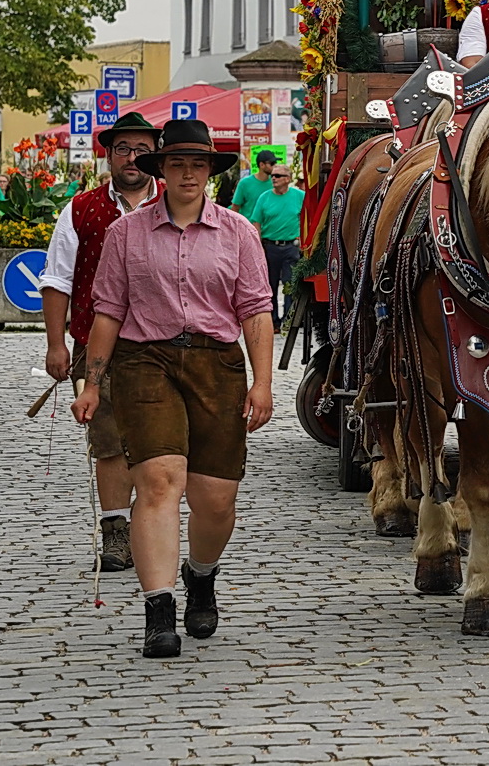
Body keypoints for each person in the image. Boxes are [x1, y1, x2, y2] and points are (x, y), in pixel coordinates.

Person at [70, 118, 274, 659]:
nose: (188, 173)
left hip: (216, 364)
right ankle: (158, 609)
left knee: (215, 500)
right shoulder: (126, 233)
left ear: (210, 171)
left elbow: (255, 310)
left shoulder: (238, 232)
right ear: (160, 171)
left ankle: (200, 575)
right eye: (178, 164)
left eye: (198, 164)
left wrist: (264, 384)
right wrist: (92, 385)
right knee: (160, 482)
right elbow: (108, 313)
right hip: (145, 362)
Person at [42, 111, 162, 574]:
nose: (133, 158)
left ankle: (149, 526)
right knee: (109, 441)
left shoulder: (176, 203)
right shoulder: (80, 209)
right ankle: (115, 534)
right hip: (99, 348)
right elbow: (57, 280)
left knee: (157, 442)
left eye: (142, 150)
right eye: (124, 149)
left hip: (164, 344)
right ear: (108, 156)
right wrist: (57, 344)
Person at [248, 163, 305, 331]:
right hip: (270, 246)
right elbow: (256, 222)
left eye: (278, 176)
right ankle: (273, 321)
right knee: (270, 285)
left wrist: (303, 238)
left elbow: (307, 218)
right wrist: (258, 245)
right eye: (273, 175)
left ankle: (288, 318)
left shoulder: (299, 196)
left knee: (289, 284)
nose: (273, 178)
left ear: (288, 179)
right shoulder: (264, 197)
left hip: (291, 246)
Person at [230, 150, 274, 220]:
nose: (274, 166)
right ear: (262, 165)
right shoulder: (245, 183)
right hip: (249, 227)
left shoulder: (274, 183)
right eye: (272, 163)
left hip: (268, 228)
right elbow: (235, 208)